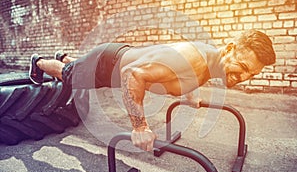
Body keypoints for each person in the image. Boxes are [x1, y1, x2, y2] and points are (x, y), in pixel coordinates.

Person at [29, 29, 276, 151]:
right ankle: (39, 62)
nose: (243, 77)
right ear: (230, 48)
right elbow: (132, 75)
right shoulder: (191, 59)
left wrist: (191, 94)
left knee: (76, 68)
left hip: (119, 57)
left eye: (251, 74)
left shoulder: (213, 62)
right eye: (242, 67)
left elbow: (188, 76)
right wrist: (140, 127)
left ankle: (65, 57)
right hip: (108, 65)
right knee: (68, 76)